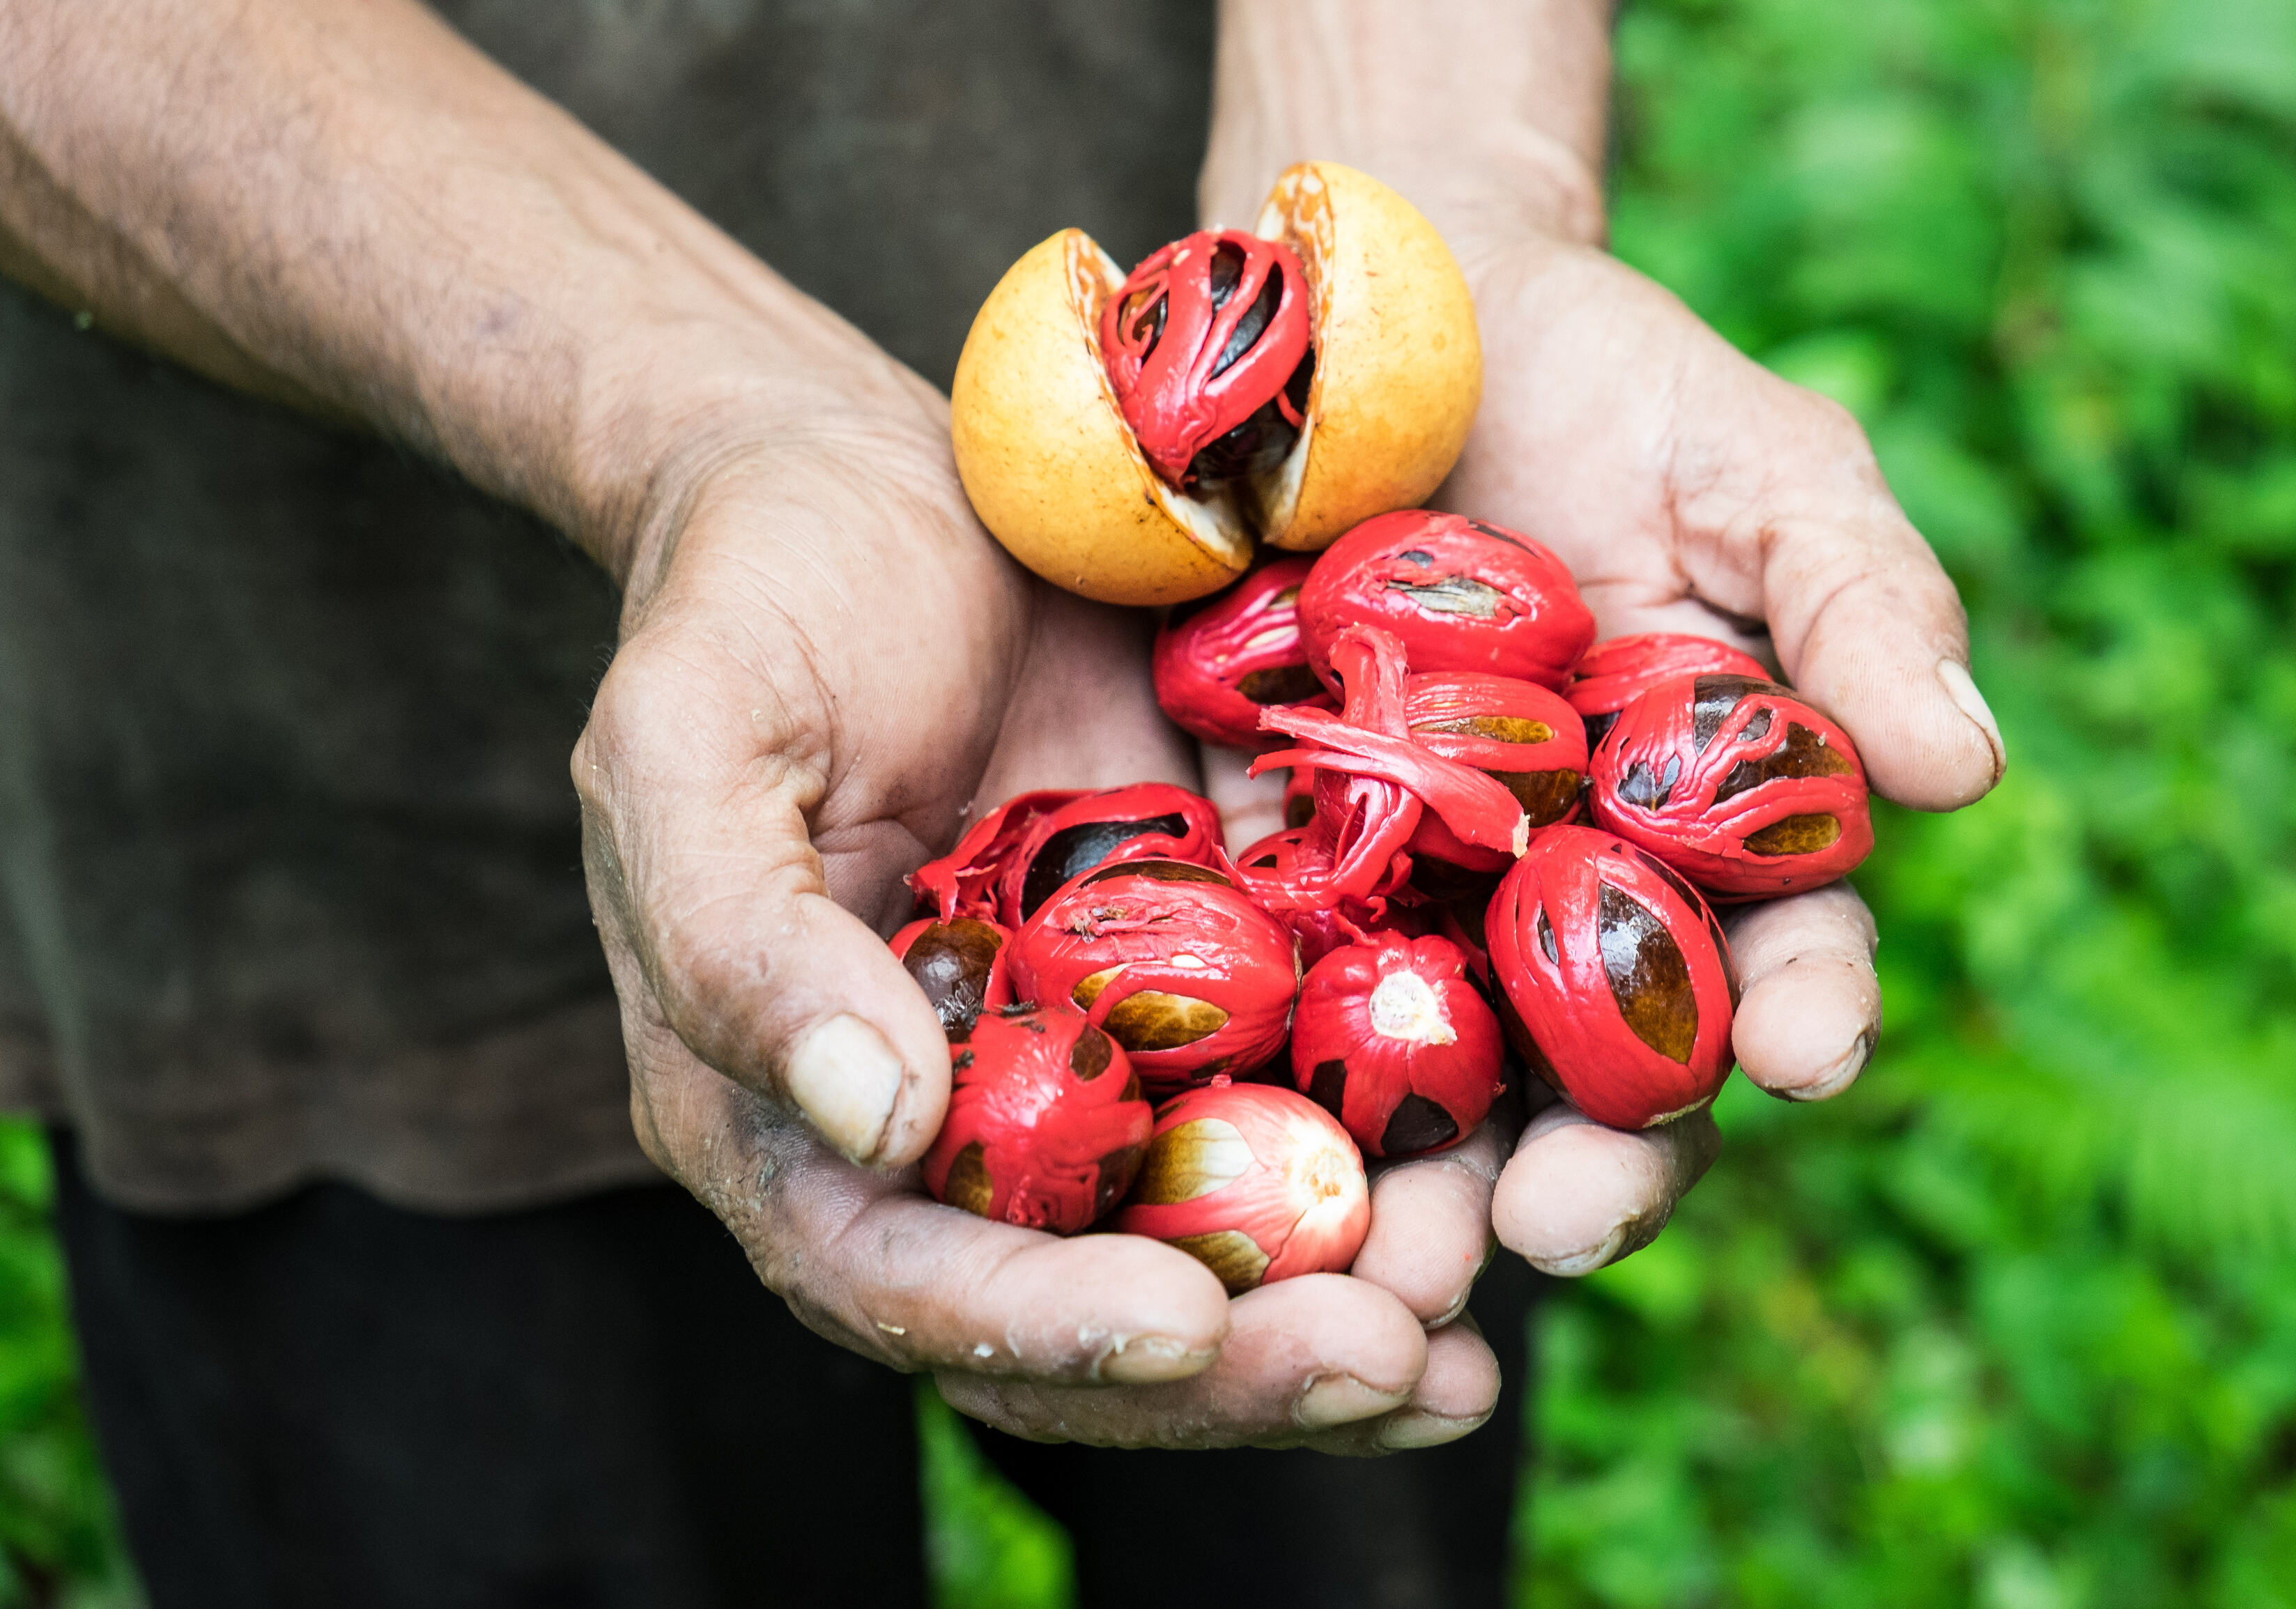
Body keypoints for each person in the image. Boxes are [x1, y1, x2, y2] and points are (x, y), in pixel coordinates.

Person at [0, 0, 2001, 1603]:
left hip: (1176, 433)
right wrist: (711, 427)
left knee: (1327, 1433)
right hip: (289, 747)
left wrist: (1440, 158)